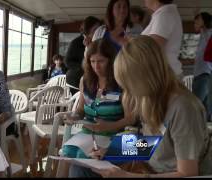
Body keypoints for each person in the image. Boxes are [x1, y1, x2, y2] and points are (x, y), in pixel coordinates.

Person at [70, 36, 212, 178]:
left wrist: (127, 176)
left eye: (130, 85)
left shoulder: (183, 108)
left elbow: (188, 173)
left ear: (147, 77)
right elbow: (150, 144)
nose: (129, 93)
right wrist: (113, 149)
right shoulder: (149, 99)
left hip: (163, 172)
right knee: (81, 167)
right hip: (149, 166)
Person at [63, 39, 135, 176]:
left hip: (113, 136)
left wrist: (109, 126)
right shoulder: (85, 80)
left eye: (101, 61)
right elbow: (80, 110)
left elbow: (131, 119)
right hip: (87, 135)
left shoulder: (122, 83)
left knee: (80, 163)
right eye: (92, 61)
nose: (96, 66)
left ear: (112, 61)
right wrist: (74, 116)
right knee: (70, 153)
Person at [141, 0, 183, 78]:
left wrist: (130, 43)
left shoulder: (164, 14)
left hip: (165, 77)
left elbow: (153, 48)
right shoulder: (163, 13)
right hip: (165, 75)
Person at [64, 16, 102, 95]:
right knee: (84, 101)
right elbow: (67, 61)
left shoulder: (99, 42)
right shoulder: (76, 42)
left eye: (99, 29)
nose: (98, 32)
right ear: (87, 30)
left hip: (92, 78)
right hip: (76, 79)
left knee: (97, 99)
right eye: (95, 29)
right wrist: (83, 68)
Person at [192, 12, 212, 122]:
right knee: (203, 106)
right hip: (199, 74)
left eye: (198, 20)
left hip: (204, 74)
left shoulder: (209, 33)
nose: (195, 22)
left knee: (195, 105)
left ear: (204, 21)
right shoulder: (203, 35)